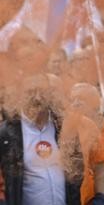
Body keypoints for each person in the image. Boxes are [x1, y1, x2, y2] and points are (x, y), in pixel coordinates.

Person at [0, 75, 86, 205]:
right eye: (31, 92)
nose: (38, 98)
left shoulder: (64, 128)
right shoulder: (7, 133)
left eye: (42, 92)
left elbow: (76, 176)